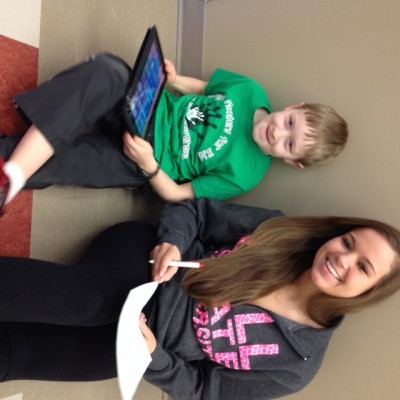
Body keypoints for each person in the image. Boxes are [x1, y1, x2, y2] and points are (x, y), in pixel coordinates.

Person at [0, 198, 399, 400]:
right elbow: (196, 210)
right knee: (93, 301)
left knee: (24, 356)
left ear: (366, 294)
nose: (342, 259)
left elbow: (204, 391)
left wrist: (152, 355)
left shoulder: (297, 366)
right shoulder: (278, 231)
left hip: (146, 342)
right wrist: (173, 242)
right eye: (348, 242)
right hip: (145, 264)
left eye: (363, 267)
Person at [0, 52, 348, 211]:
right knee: (108, 69)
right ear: (295, 107)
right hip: (151, 106)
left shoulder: (246, 174)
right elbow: (205, 89)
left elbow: (180, 194)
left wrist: (149, 165)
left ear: (291, 161)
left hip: (147, 162)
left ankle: (10, 168)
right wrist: (175, 79)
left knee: (76, 162)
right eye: (290, 123)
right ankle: (26, 156)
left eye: (289, 145)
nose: (278, 134)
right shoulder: (250, 90)